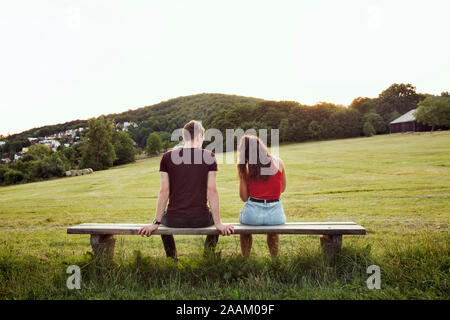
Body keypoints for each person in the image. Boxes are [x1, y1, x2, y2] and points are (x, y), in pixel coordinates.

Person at [138, 120, 234, 259]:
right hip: (200, 219)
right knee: (213, 218)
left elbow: (164, 192)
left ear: (184, 137)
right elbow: (212, 191)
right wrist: (218, 223)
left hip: (173, 219)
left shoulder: (167, 157)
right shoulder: (209, 156)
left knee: (163, 218)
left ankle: (172, 258)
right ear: (199, 137)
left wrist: (156, 223)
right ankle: (208, 257)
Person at [236, 134, 287, 259]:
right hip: (276, 215)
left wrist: (242, 174)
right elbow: (282, 189)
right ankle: (274, 260)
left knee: (244, 230)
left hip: (252, 216)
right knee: (273, 231)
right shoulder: (278, 162)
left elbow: (243, 197)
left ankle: (246, 259)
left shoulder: (247, 168)